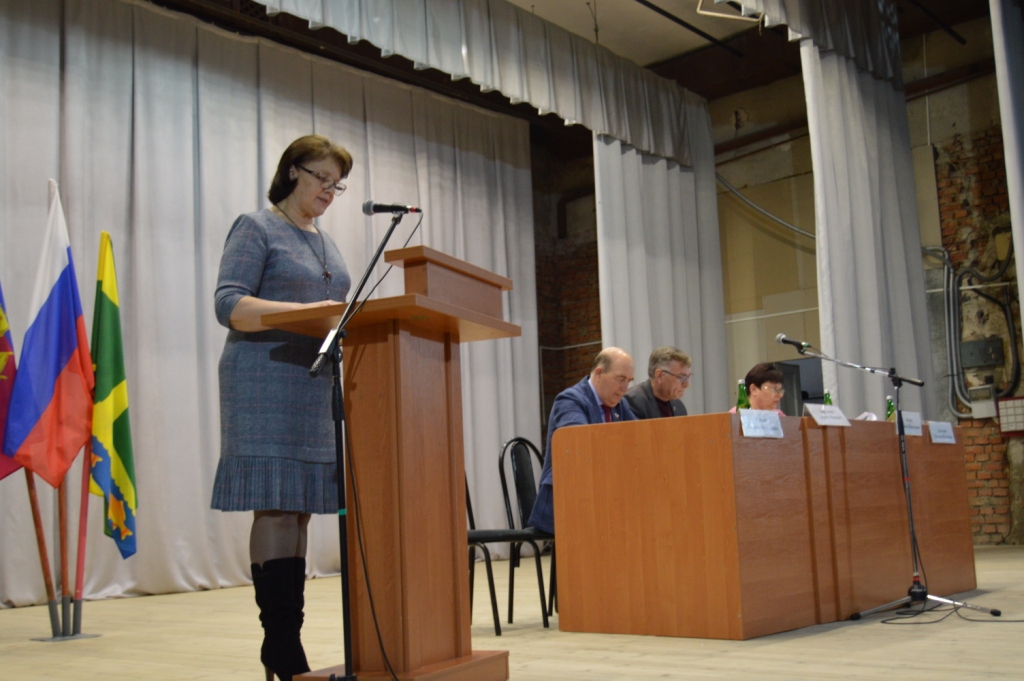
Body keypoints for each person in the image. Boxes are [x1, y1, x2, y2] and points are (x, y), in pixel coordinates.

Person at [211, 135, 353, 681]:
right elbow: (229, 302)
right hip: (263, 379)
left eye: (337, 184)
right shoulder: (257, 227)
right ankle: (280, 643)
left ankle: (286, 640)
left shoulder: (327, 242)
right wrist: (303, 312)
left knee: (299, 509)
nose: (330, 191)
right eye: (322, 178)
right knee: (274, 506)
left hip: (312, 382)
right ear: (293, 171)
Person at [528, 347, 637, 534]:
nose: (625, 388)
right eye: (620, 379)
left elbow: (639, 439)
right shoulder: (570, 400)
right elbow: (579, 446)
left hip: (605, 497)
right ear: (599, 373)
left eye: (629, 381)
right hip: (568, 501)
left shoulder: (620, 405)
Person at [624, 346, 691, 419]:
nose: (686, 385)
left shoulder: (679, 406)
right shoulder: (632, 402)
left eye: (688, 377)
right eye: (681, 377)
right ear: (659, 376)